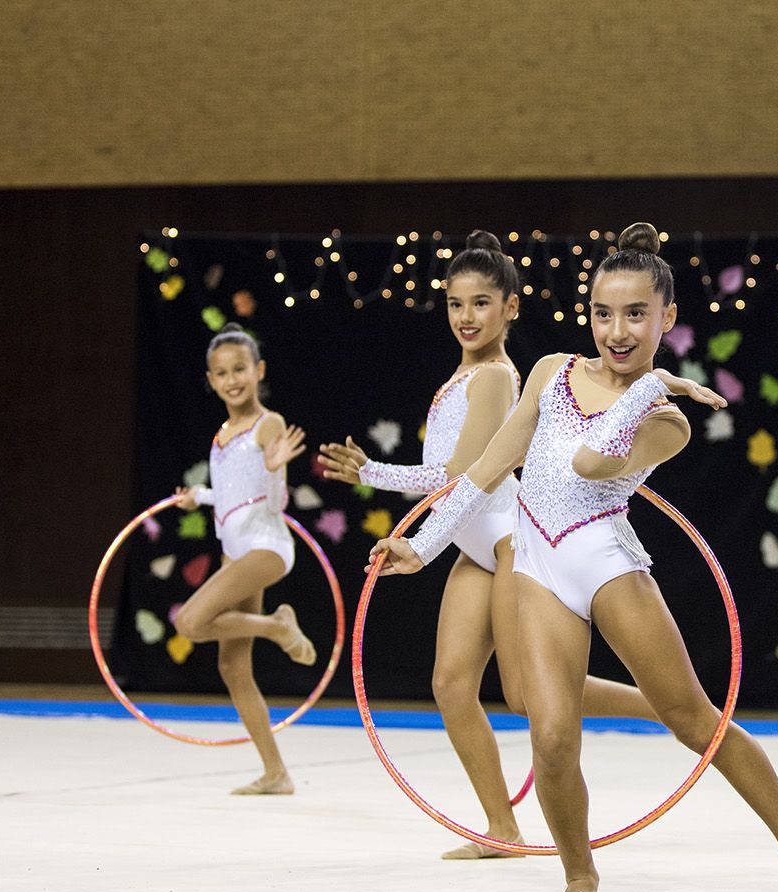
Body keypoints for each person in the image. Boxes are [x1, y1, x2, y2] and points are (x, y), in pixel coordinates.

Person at [367, 223, 778, 892]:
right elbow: (486, 468)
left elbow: (591, 462)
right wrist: (425, 543)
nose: (616, 331)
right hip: (536, 565)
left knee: (694, 721)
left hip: (604, 561)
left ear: (668, 318)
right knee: (552, 732)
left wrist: (649, 385)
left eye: (635, 315)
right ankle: (579, 879)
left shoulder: (666, 420)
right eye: (603, 313)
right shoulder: (548, 371)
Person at [319, 232, 653, 859]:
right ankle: (501, 828)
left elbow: (466, 478)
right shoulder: (464, 374)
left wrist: (399, 513)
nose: (466, 317)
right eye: (454, 304)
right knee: (450, 683)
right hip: (473, 547)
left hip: (506, 542)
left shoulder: (498, 378)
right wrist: (376, 476)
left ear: (511, 309)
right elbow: (451, 476)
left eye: (480, 303)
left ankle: (662, 704)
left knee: (527, 694)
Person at [173, 324, 312, 796]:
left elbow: (272, 502)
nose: (232, 380)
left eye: (239, 370)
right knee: (232, 666)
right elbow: (235, 495)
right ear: (210, 380)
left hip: (265, 548)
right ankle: (276, 773)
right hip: (237, 552)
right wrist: (200, 497)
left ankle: (277, 626)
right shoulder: (222, 434)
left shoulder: (266, 424)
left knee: (190, 623)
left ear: (258, 371)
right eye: (221, 373)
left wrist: (276, 473)